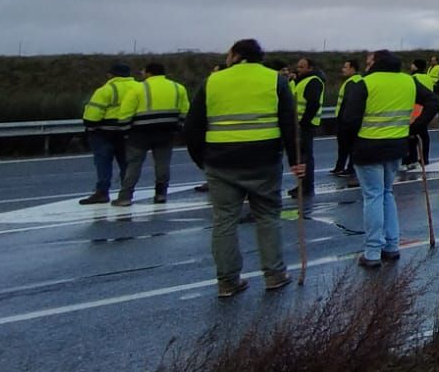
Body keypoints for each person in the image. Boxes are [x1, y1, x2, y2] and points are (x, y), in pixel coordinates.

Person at [184, 38, 300, 296]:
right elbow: (290, 124)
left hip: (221, 161)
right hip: (264, 160)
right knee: (267, 216)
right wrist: (296, 160)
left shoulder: (213, 81)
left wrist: (203, 160)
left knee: (224, 220)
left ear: (236, 55)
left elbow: (192, 126)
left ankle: (227, 281)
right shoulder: (275, 80)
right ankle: (274, 274)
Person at [340, 49, 437, 268]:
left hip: (368, 147)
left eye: (369, 61)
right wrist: (416, 127)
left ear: (376, 62)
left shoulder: (364, 83)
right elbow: (432, 101)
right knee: (386, 193)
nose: (366, 65)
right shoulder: (408, 81)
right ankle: (392, 245)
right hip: (397, 145)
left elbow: (349, 121)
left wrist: (350, 147)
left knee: (373, 196)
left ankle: (372, 251)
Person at [113, 61, 189, 205]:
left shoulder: (138, 88)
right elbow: (185, 112)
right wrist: (177, 127)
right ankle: (161, 194)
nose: (141, 73)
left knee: (134, 165)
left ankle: (125, 197)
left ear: (148, 73)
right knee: (163, 165)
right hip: (166, 133)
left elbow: (125, 114)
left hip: (139, 134)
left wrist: (125, 131)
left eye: (143, 71)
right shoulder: (178, 88)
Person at [78, 62, 137, 204]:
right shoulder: (139, 88)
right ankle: (126, 193)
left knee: (103, 163)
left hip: (104, 133)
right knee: (126, 163)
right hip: (129, 132)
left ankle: (102, 193)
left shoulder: (106, 90)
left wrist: (90, 126)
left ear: (111, 75)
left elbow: (93, 115)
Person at [287, 57, 326, 199]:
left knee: (305, 157)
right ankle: (302, 185)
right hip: (298, 124)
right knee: (301, 157)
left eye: (302, 67)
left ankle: (307, 187)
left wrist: (303, 122)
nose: (298, 69)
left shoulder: (313, 81)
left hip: (306, 125)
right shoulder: (299, 80)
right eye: (298, 66)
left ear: (310, 68)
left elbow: (313, 104)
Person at [330, 59, 362, 180]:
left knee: (349, 146)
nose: (343, 69)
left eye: (345, 67)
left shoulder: (353, 82)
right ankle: (340, 167)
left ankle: (350, 168)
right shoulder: (351, 81)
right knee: (344, 146)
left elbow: (349, 104)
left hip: (348, 121)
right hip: (347, 119)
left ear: (353, 68)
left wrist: (344, 120)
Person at [405, 58, 435, 171]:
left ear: (415, 66)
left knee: (412, 136)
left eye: (412, 65)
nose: (411, 66)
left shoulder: (413, 78)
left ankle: (411, 159)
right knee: (424, 135)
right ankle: (424, 158)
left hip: (415, 110)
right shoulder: (428, 77)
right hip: (425, 110)